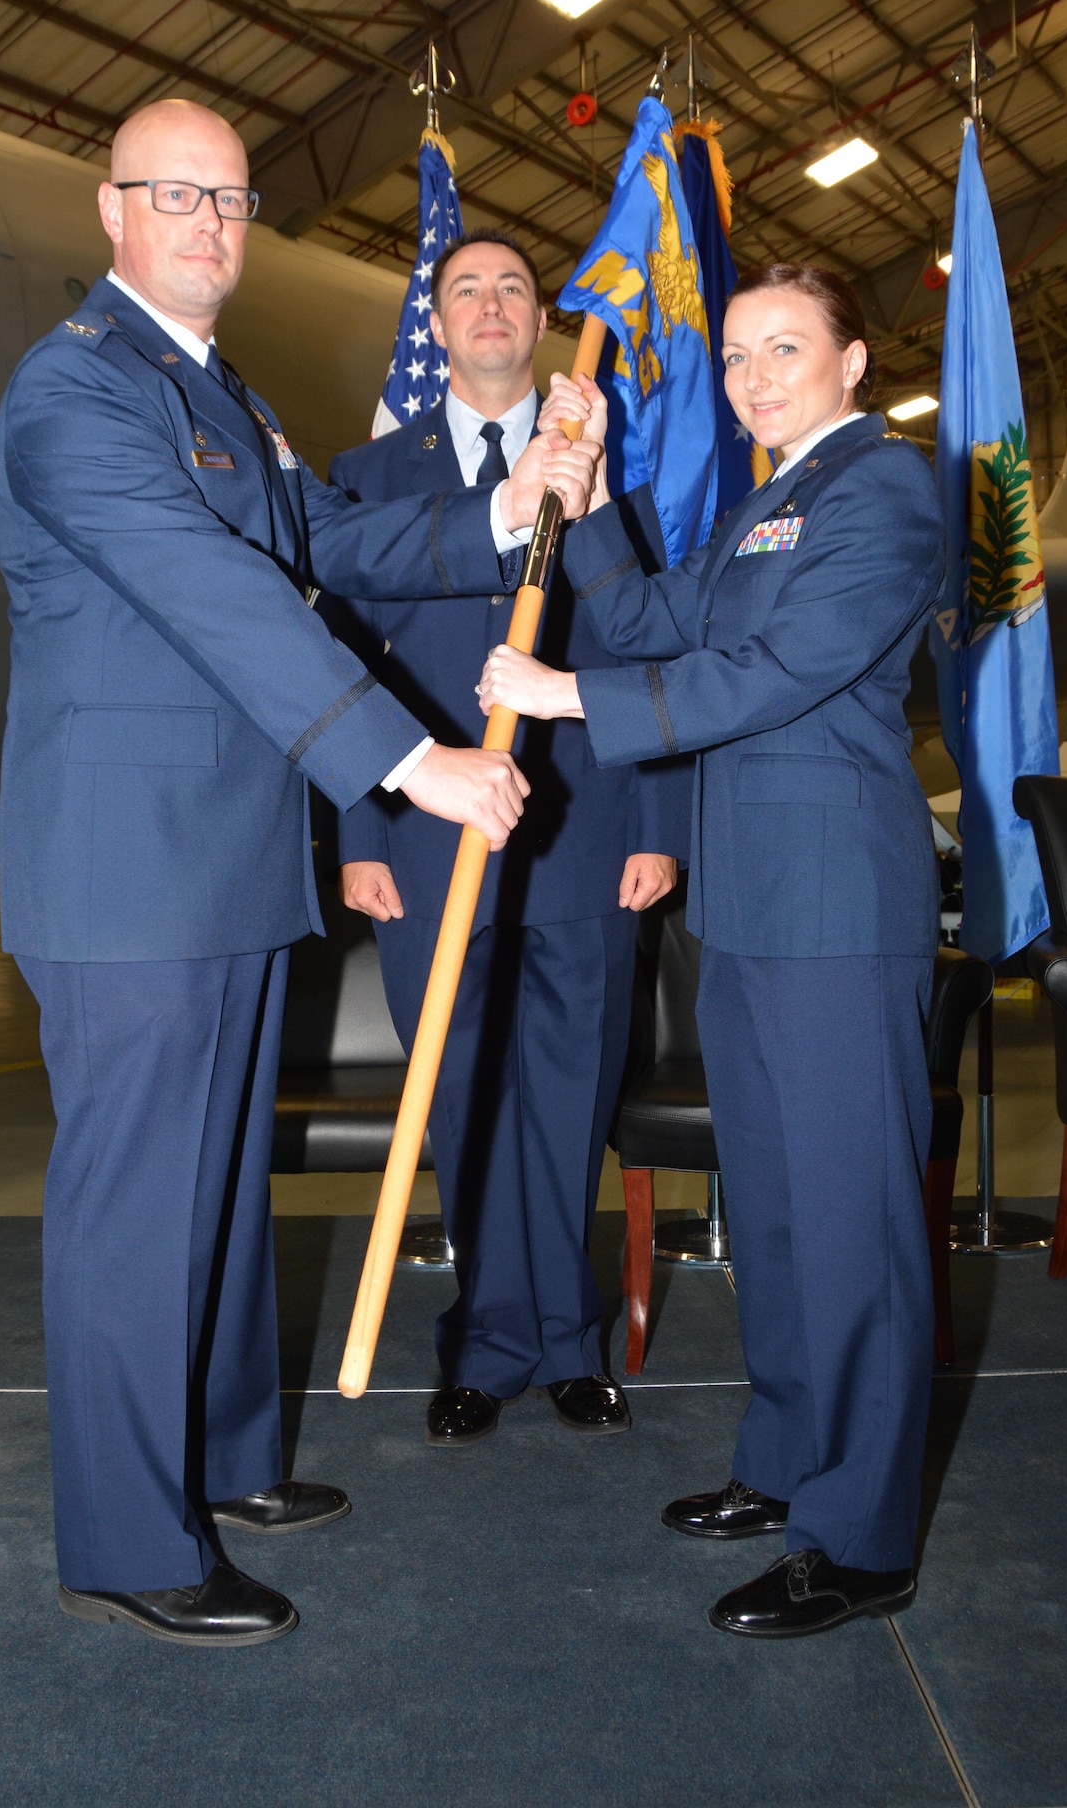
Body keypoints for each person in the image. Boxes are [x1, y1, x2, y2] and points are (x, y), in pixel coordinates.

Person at [0, 100, 596, 1647]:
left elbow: (337, 538)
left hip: (231, 864)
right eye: (173, 194)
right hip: (127, 874)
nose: (206, 220)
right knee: (137, 1203)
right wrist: (410, 760)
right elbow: (216, 595)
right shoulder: (74, 393)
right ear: (110, 209)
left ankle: (230, 1459)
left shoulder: (226, 402)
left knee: (219, 1189)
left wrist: (511, 503)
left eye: (231, 198)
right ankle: (129, 1538)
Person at [478, 263, 945, 1639]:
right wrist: (599, 484)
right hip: (748, 915)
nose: (753, 375)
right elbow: (642, 619)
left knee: (851, 1226)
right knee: (783, 1222)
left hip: (839, 915)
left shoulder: (884, 489)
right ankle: (788, 1465)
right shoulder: (770, 499)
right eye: (738, 353)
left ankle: (860, 1538)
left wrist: (563, 695)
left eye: (784, 347)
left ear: (854, 363)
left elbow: (775, 671)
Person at [324, 229, 684, 1446]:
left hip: (586, 835)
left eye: (513, 290)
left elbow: (644, 646)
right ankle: (485, 1341)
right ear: (435, 325)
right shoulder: (369, 477)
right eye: (464, 287)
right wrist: (357, 832)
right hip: (426, 846)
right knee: (461, 1098)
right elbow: (336, 668)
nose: (489, 304)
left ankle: (571, 1340)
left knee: (570, 1096)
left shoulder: (600, 472)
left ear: (538, 327)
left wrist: (661, 822)